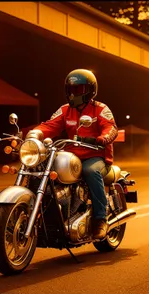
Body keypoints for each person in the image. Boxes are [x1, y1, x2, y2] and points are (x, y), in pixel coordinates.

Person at [30, 69, 118, 240]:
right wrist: (34, 134)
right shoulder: (65, 110)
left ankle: (100, 219)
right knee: (45, 170)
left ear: (90, 90)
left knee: (90, 171)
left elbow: (111, 128)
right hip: (73, 155)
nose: (72, 94)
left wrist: (103, 138)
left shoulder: (100, 109)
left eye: (78, 90)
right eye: (70, 90)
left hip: (96, 156)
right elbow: (50, 126)